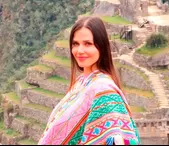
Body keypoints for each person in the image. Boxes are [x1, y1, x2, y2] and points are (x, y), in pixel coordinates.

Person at [38, 16, 140, 145]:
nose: (79, 50)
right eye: (75, 44)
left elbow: (118, 139)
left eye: (88, 44)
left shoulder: (104, 90)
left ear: (101, 47)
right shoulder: (81, 83)